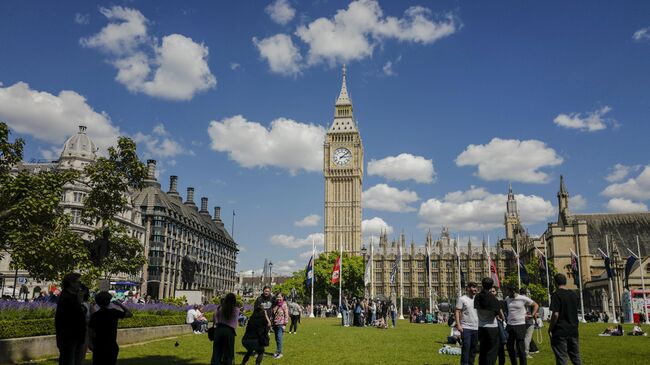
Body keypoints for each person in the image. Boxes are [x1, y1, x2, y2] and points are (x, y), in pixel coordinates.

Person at [88, 291, 133, 365]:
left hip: (98, 345)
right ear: (109, 301)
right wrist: (120, 304)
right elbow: (130, 314)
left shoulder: (95, 315)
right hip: (111, 345)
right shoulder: (114, 312)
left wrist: (90, 343)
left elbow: (90, 331)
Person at [548, 273, 583, 365]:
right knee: (576, 358)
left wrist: (550, 328)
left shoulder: (556, 295)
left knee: (562, 358)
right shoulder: (573, 294)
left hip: (560, 331)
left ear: (555, 283)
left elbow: (555, 314)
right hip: (573, 330)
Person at [55, 273, 86, 365]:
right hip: (69, 336)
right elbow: (75, 315)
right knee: (68, 360)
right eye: (78, 282)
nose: (80, 285)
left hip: (75, 335)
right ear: (71, 283)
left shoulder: (71, 296)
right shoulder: (66, 297)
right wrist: (79, 302)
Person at [505, 285, 538, 365]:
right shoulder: (507, 298)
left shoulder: (522, 298)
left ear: (513, 292)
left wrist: (532, 315)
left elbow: (535, 305)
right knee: (509, 347)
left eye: (509, 292)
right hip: (509, 325)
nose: (508, 294)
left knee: (520, 348)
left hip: (520, 325)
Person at [474, 278, 504, 365]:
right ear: (491, 286)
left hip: (481, 327)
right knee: (492, 351)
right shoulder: (493, 298)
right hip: (491, 328)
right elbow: (501, 315)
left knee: (482, 350)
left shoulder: (477, 296)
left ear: (482, 285)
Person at [211, 293, 240, 365]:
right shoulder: (236, 310)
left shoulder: (219, 308)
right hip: (229, 331)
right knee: (228, 353)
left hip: (219, 330)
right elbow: (235, 323)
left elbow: (215, 319)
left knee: (217, 352)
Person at [456, 282, 479, 365]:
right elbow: (457, 311)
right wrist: (458, 325)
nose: (476, 289)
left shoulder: (477, 298)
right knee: (466, 347)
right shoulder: (462, 299)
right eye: (473, 287)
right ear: (468, 288)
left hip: (476, 327)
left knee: (473, 349)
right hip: (466, 327)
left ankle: (471, 363)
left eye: (476, 287)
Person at [271, 292, 289, 359]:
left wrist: (285, 324)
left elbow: (286, 315)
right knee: (276, 338)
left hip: (281, 324)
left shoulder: (284, 304)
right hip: (275, 323)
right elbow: (273, 314)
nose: (279, 298)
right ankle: (278, 351)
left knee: (279, 338)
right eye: (277, 297)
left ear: (283, 297)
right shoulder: (275, 304)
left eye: (280, 297)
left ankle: (279, 353)